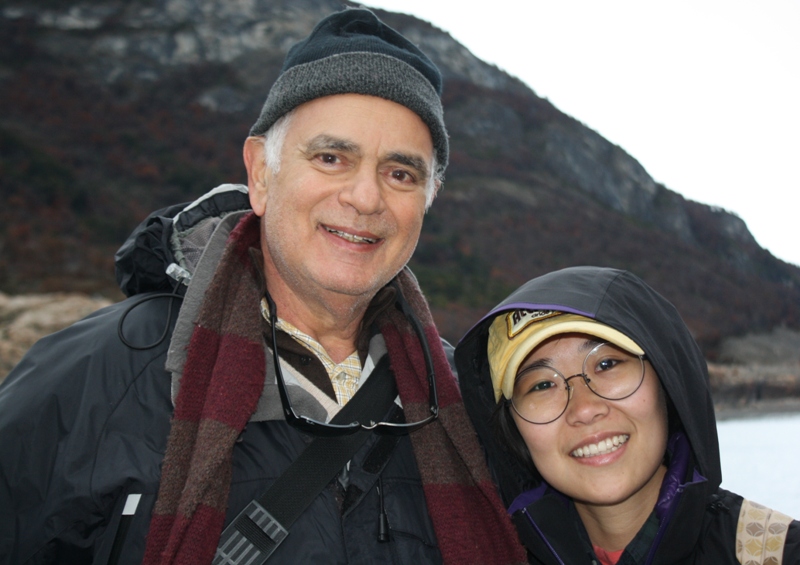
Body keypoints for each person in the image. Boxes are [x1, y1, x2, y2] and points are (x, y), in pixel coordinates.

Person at [0, 8, 527, 565]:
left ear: (428, 198)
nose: (366, 199)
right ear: (260, 173)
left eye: (401, 174)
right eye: (331, 158)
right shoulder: (106, 373)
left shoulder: (466, 405)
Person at [455, 266, 800, 564]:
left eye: (607, 364)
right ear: (512, 428)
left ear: (667, 381)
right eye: (542, 385)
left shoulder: (776, 552)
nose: (585, 408)